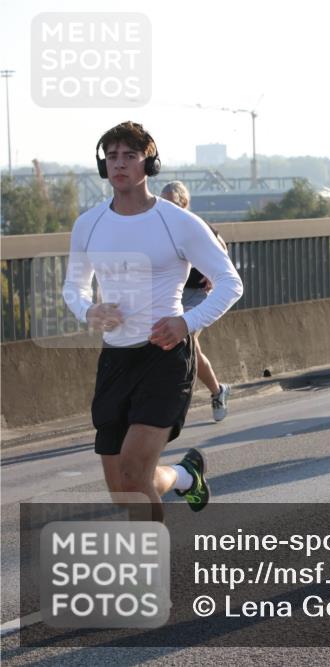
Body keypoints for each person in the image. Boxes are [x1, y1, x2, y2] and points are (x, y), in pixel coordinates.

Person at [62, 121, 243, 521]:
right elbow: (73, 287)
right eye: (112, 157)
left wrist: (187, 323)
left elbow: (232, 283)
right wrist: (88, 310)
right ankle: (183, 476)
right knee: (124, 490)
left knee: (133, 470)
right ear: (102, 165)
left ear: (150, 163)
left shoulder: (177, 221)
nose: (120, 164)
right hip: (115, 360)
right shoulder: (89, 224)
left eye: (130, 156)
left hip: (165, 358)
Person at [160, 181, 233, 421]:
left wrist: (212, 275)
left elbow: (222, 250)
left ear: (184, 204)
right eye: (162, 202)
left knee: (185, 338)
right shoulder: (158, 229)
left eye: (171, 203)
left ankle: (171, 405)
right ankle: (218, 390)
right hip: (174, 295)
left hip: (197, 295)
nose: (165, 208)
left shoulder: (196, 226)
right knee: (179, 344)